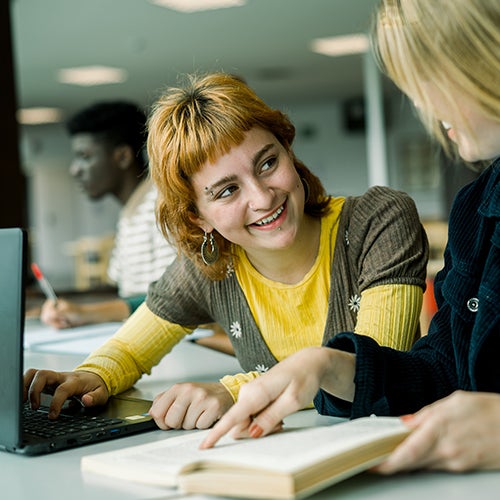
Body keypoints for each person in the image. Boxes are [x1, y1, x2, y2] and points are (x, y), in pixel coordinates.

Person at [24, 72, 428, 430]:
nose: (262, 197)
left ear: (288, 149)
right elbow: (129, 347)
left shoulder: (377, 221)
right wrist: (94, 375)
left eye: (268, 163)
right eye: (227, 190)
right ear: (197, 216)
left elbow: (378, 368)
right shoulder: (211, 261)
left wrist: (235, 391)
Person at [201, 0, 500, 474]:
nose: (422, 104)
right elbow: (442, 374)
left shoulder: (377, 219)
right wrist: (328, 366)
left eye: (427, 80)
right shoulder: (477, 207)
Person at [40, 100, 176, 328]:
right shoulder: (131, 212)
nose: (75, 169)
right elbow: (127, 293)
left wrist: (88, 312)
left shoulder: (163, 205)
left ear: (122, 156)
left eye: (84, 156)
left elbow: (177, 299)